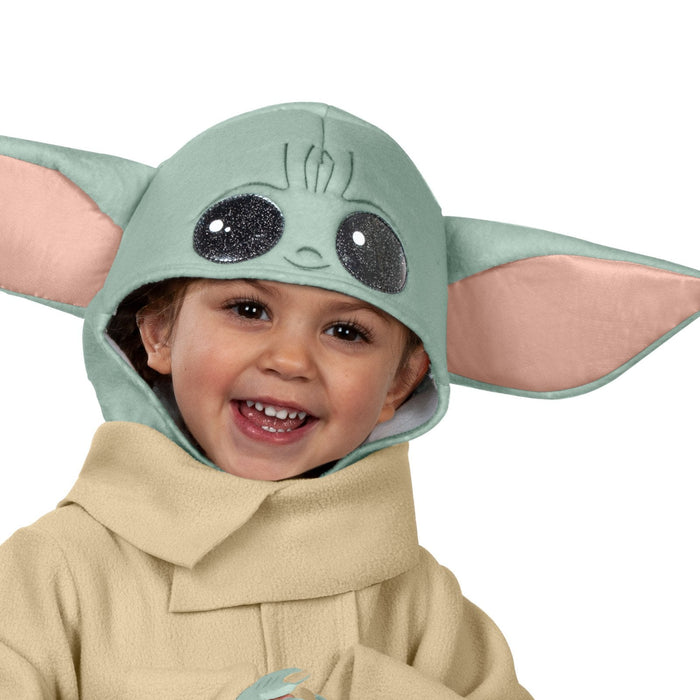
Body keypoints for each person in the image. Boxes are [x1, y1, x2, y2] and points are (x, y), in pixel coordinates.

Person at [1, 103, 699, 699]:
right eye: (248, 308)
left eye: (346, 331)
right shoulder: (53, 575)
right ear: (158, 330)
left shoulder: (419, 603)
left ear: (400, 380)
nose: (289, 360)